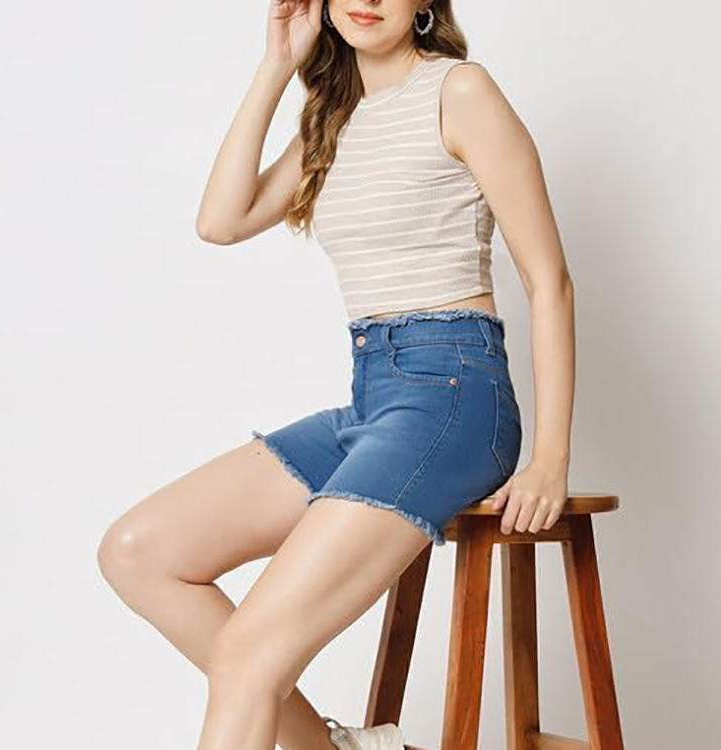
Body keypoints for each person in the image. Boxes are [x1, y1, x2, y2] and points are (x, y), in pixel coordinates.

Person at [98, 1, 575, 748]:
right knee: (138, 552)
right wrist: (276, 66)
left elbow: (549, 282)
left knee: (251, 651)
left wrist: (549, 459)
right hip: (373, 397)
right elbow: (221, 221)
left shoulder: (460, 91)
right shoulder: (334, 118)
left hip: (455, 395)